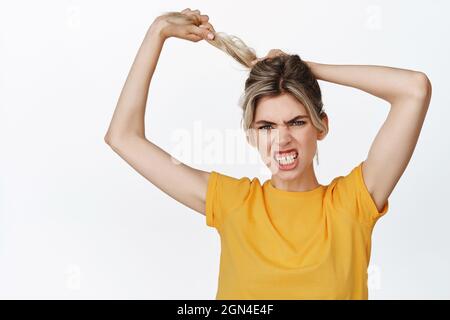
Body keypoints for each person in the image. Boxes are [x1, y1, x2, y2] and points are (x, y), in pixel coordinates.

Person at [104, 8, 432, 299]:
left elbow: (414, 89)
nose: (282, 139)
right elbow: (123, 137)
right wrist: (157, 32)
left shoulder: (352, 204)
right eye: (266, 127)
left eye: (297, 121)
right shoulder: (234, 203)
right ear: (251, 136)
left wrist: (305, 68)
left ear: (321, 126)